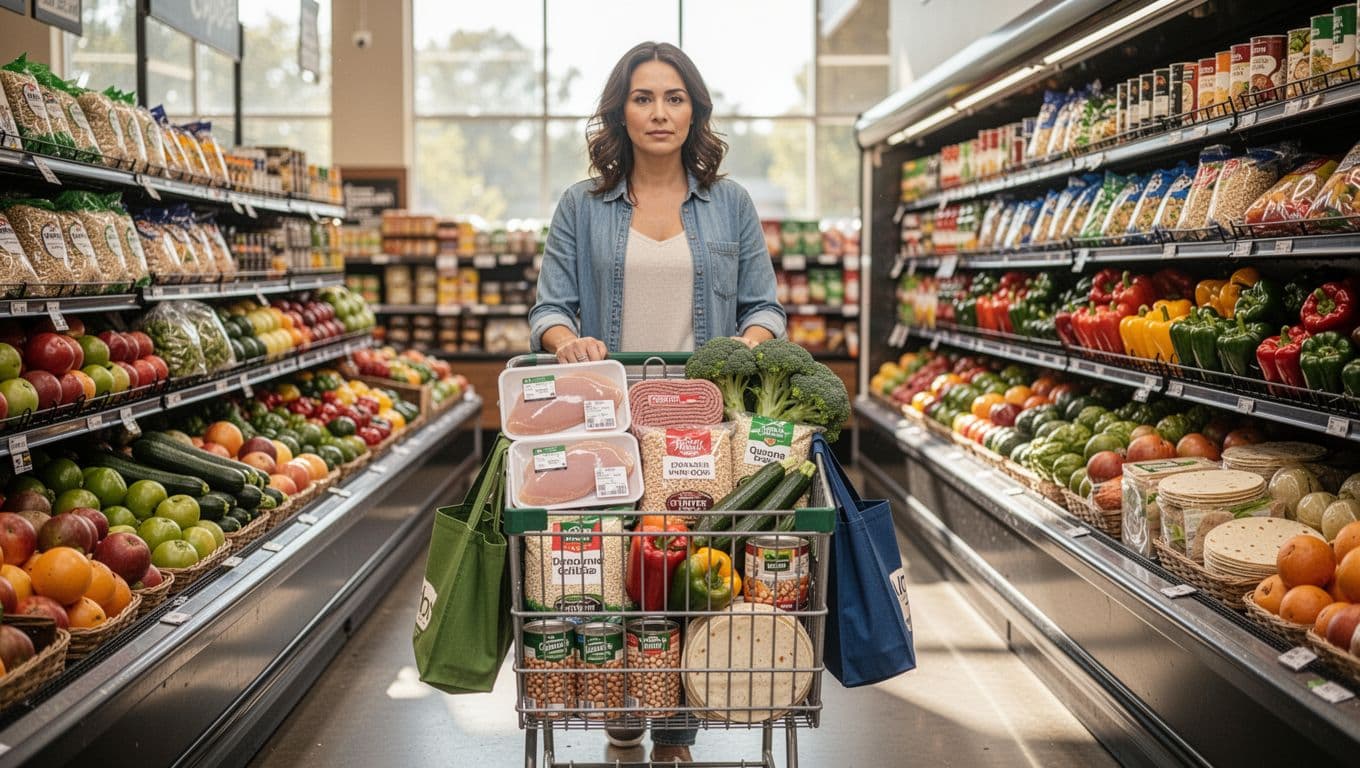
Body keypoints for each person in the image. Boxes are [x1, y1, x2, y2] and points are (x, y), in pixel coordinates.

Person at [529, 41, 785, 763]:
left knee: (689, 566)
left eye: (674, 98)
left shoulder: (729, 203)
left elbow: (765, 306)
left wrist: (753, 343)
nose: (659, 112)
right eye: (643, 98)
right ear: (620, 111)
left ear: (695, 111)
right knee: (618, 567)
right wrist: (564, 343)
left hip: (698, 431)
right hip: (608, 425)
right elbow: (550, 306)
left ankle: (677, 716)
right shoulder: (581, 206)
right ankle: (624, 698)